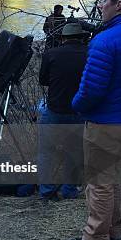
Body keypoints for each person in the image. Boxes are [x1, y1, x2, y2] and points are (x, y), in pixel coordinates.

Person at [68, 0, 121, 240]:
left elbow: (91, 89)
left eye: (104, 0)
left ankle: (95, 239)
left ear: (119, 5)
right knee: (112, 178)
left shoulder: (105, 41)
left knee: (100, 182)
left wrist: (76, 105)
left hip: (106, 123)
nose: (100, 5)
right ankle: (115, 231)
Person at [38, 22, 88, 201]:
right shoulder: (88, 54)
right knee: (74, 152)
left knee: (46, 152)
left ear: (63, 38)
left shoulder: (51, 54)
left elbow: (43, 80)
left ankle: (47, 191)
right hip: (78, 111)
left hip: (54, 109)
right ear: (82, 37)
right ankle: (69, 190)